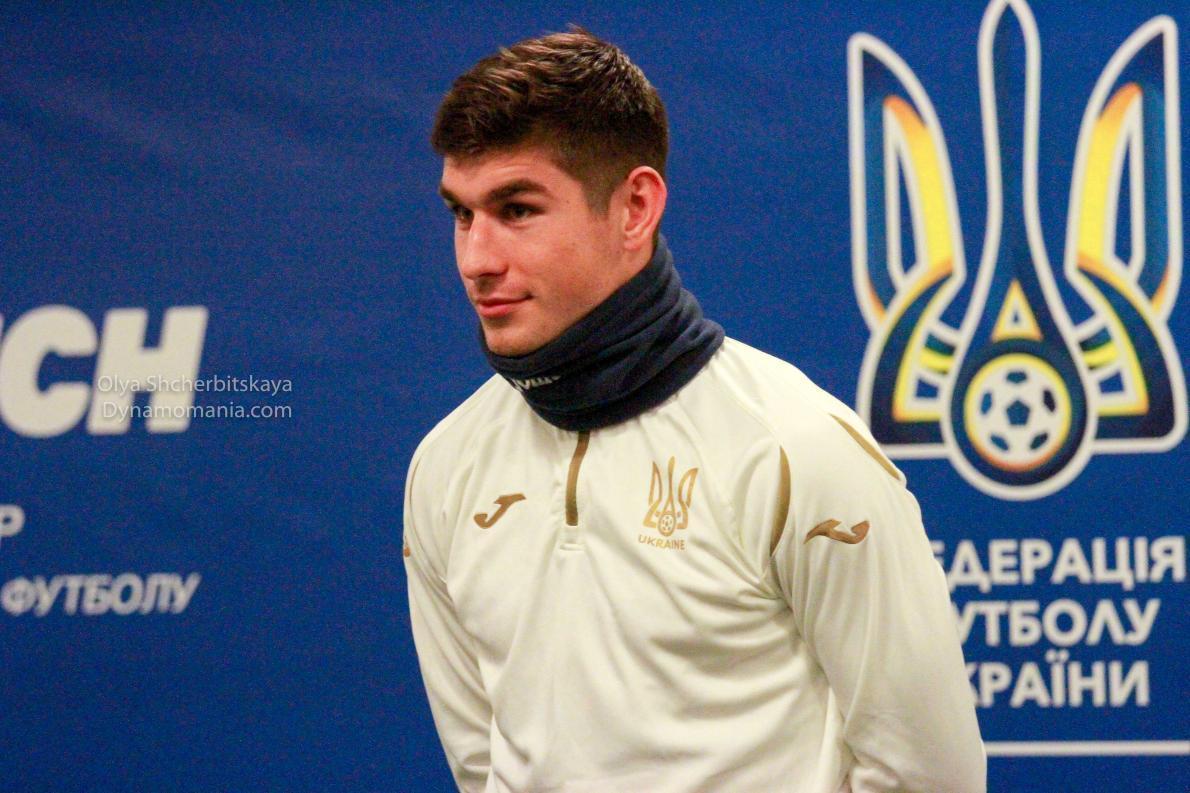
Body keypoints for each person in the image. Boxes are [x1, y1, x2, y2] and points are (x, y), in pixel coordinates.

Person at [404, 28, 985, 793]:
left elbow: (932, 775)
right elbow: (484, 769)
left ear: (635, 207)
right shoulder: (446, 466)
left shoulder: (797, 447)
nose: (476, 259)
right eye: (462, 214)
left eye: (516, 209)